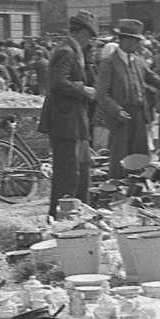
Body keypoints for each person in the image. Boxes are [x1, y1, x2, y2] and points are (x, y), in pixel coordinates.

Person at [95, 18, 160, 176]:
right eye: (136, 41)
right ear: (125, 40)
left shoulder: (138, 61)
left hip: (140, 115)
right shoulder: (109, 62)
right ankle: (117, 191)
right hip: (121, 116)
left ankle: (137, 192)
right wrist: (117, 110)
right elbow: (101, 94)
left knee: (140, 156)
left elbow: (154, 80)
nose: (139, 45)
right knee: (120, 155)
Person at [38, 11, 99, 219]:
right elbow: (58, 82)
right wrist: (83, 89)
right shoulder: (66, 51)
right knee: (67, 174)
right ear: (81, 32)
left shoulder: (77, 51)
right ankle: (61, 217)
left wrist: (89, 60)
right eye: (90, 36)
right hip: (65, 122)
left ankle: (79, 213)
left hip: (75, 122)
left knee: (81, 171)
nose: (91, 41)